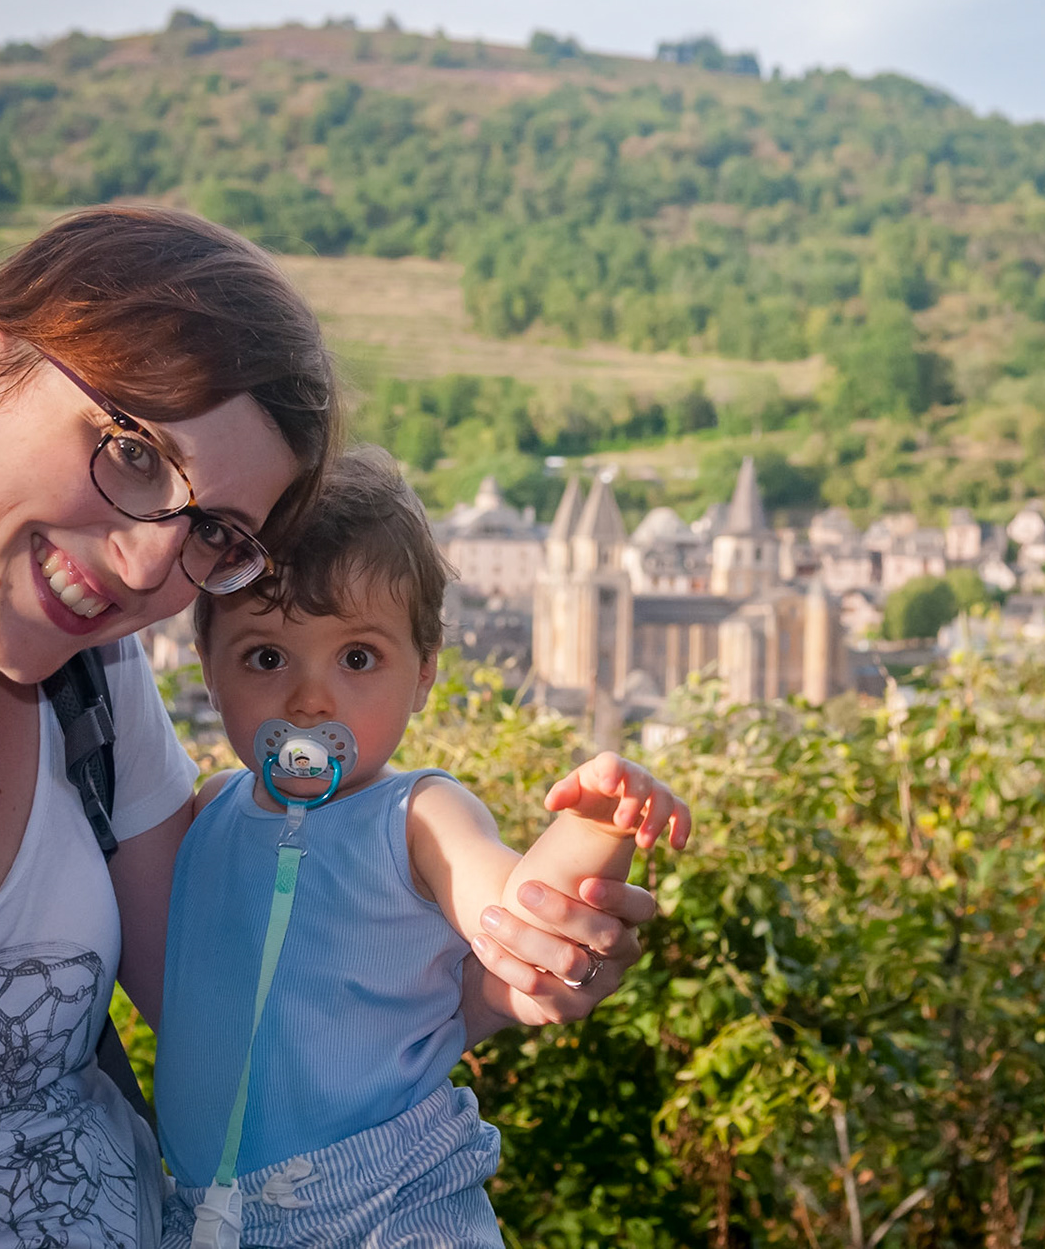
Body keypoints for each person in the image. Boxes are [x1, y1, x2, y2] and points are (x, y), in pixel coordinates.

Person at [0, 206, 656, 1247]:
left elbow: (248, 1000)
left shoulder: (87, 674)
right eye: (133, 452)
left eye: (214, 532)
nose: (149, 567)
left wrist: (502, 968)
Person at [155, 448, 690, 1249]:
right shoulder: (208, 812)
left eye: (357, 657)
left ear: (424, 672)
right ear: (207, 666)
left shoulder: (417, 815)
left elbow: (517, 915)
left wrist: (594, 825)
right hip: (210, 1217)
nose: (310, 698)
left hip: (389, 1202)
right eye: (266, 657)